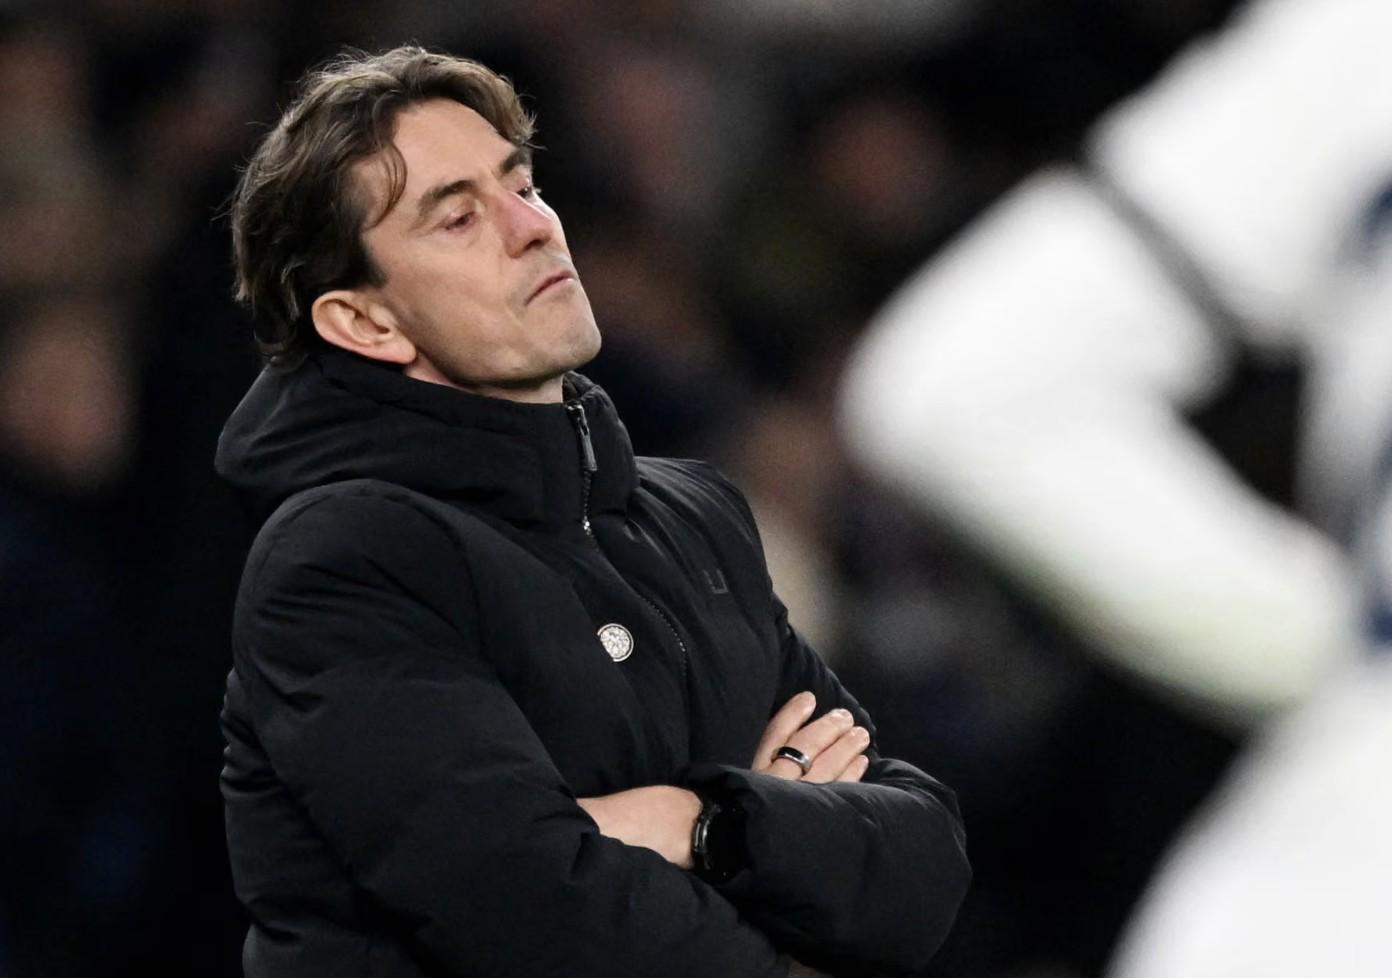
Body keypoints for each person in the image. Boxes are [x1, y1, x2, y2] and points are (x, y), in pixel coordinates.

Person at [215, 46, 969, 978]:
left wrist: (702, 822)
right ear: (365, 322)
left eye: (522, 185)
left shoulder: (694, 515)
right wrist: (787, 859)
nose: (532, 228)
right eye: (458, 218)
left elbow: (922, 859)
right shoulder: (345, 559)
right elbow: (537, 915)